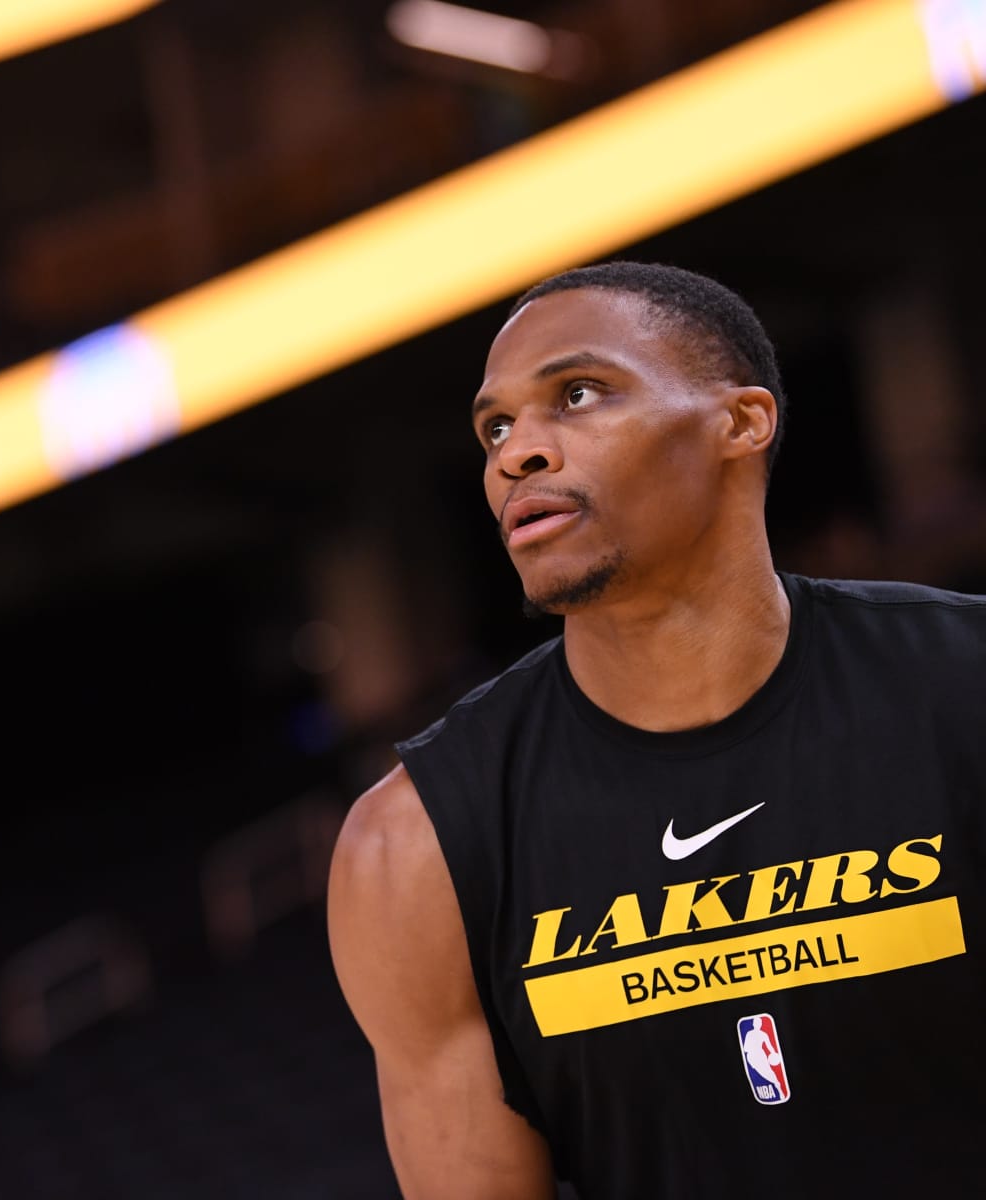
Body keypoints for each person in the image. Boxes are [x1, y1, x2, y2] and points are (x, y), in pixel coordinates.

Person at [327, 261, 986, 1199]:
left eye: (578, 394)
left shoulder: (963, 688)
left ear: (740, 422)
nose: (518, 454)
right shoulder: (412, 847)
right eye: (496, 427)